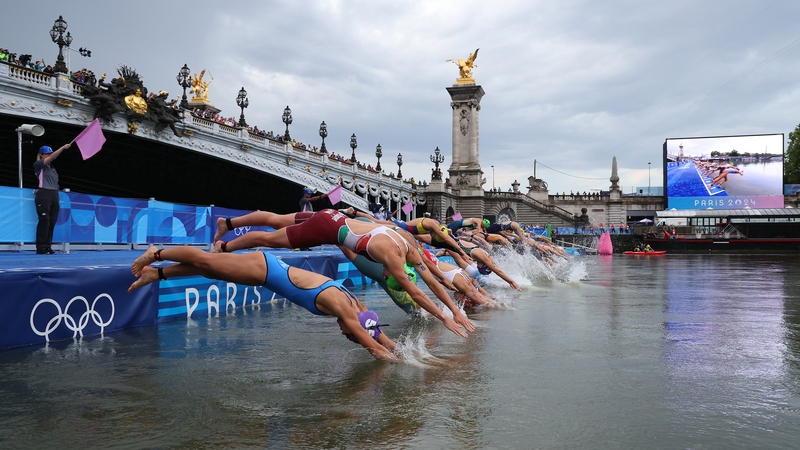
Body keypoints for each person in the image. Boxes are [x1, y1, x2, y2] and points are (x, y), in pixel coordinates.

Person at [212, 209, 475, 338]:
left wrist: (454, 310)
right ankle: (223, 247)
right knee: (270, 240)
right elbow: (417, 293)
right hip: (325, 229)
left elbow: (432, 279)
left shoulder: (408, 245)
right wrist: (444, 318)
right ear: (394, 272)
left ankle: (228, 223)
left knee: (276, 220)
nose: (384, 274)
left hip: (332, 216)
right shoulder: (393, 260)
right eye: (388, 275)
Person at [129, 246, 399, 361]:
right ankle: (156, 253)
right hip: (264, 268)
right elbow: (373, 346)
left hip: (265, 273)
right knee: (205, 261)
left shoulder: (359, 307)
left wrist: (408, 353)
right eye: (349, 335)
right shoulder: (343, 307)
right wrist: (404, 367)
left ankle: (156, 274)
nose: (343, 334)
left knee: (209, 270)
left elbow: (377, 335)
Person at [33, 143, 71, 254]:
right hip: (44, 194)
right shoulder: (38, 164)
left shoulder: (52, 168)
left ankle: (47, 246)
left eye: (50, 153)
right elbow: (52, 158)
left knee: (52, 221)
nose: (50, 155)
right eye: (47, 154)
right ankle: (41, 247)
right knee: (44, 220)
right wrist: (62, 148)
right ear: (41, 155)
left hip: (54, 194)